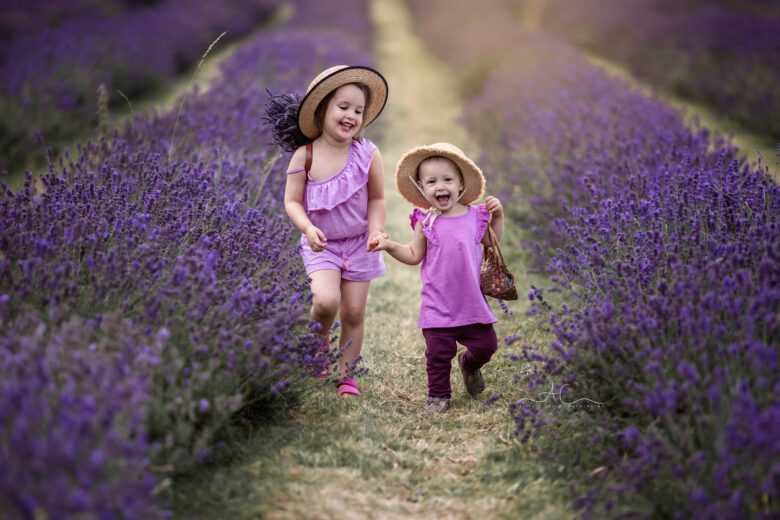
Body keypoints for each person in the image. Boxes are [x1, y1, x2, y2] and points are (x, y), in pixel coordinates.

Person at [272, 65, 389, 397]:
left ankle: (346, 374)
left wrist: (375, 230)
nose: (351, 115)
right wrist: (307, 228)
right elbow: (292, 201)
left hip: (360, 244)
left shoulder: (368, 153)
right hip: (321, 245)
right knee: (325, 302)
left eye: (358, 110)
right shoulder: (305, 155)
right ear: (322, 109)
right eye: (343, 107)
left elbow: (378, 197)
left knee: (353, 311)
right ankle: (317, 345)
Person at [369, 143, 504, 412]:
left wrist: (498, 216)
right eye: (431, 181)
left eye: (447, 180)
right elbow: (412, 254)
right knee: (438, 355)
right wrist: (389, 246)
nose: (440, 186)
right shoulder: (425, 222)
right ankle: (438, 394)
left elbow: (492, 242)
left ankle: (469, 363)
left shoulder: (476, 216)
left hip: (471, 303)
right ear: (421, 187)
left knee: (487, 345)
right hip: (438, 304)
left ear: (461, 184)